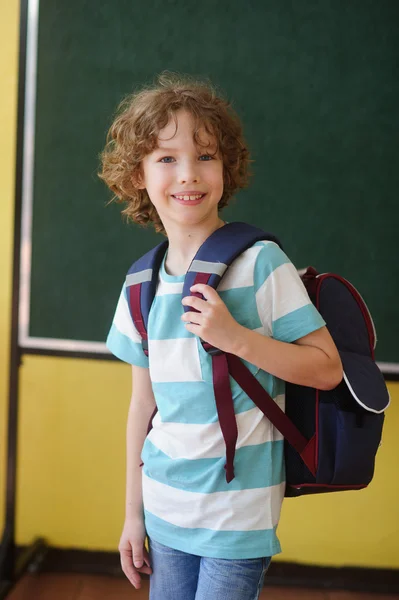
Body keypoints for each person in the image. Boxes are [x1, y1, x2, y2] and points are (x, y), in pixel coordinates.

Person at [99, 71, 343, 600]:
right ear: (138, 175)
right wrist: (131, 515)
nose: (188, 174)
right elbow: (143, 408)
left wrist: (234, 337)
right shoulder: (141, 284)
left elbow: (327, 368)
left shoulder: (260, 264)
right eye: (166, 159)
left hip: (237, 513)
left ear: (225, 169)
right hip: (164, 505)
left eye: (205, 156)